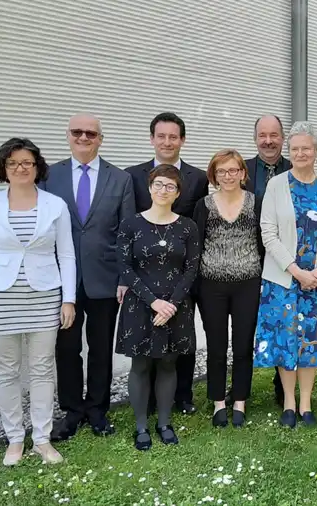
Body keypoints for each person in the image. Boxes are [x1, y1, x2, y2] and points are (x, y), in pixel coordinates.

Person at [0, 138, 76, 466]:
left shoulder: (55, 205)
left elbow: (66, 254)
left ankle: (41, 438)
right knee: (6, 370)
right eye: (13, 163)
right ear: (4, 169)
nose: (21, 168)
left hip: (43, 297)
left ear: (37, 167)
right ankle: (14, 438)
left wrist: (68, 299)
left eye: (27, 162)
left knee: (41, 370)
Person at [41, 113, 136, 441]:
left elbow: (126, 233)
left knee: (100, 348)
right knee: (66, 349)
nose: (84, 137)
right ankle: (71, 410)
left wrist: (125, 276)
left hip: (105, 278)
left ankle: (97, 408)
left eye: (91, 133)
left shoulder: (120, 180)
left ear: (100, 138)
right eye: (77, 132)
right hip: (60, 281)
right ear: (67, 135)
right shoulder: (49, 176)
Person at [254, 121, 317, 428]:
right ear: (288, 152)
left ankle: (306, 402)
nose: (301, 153)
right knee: (286, 340)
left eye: (307, 148)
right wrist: (295, 270)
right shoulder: (276, 184)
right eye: (295, 149)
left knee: (313, 342)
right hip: (283, 278)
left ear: (316, 151)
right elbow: (268, 232)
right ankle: (289, 403)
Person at [125, 112, 207, 415]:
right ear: (152, 139)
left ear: (182, 140)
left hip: (182, 275)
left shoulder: (198, 178)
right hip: (144, 276)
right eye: (162, 136)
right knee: (146, 338)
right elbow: (127, 230)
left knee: (181, 337)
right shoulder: (132, 176)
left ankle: (182, 396)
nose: (167, 142)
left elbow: (198, 226)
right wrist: (127, 279)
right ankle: (148, 399)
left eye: (174, 136)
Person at [116, 164, 200, 450]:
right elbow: (125, 268)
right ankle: (141, 426)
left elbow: (191, 269)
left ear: (177, 193)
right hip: (140, 304)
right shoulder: (131, 224)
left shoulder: (188, 227)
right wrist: (153, 302)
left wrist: (171, 304)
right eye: (159, 184)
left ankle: (164, 423)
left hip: (176, 306)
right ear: (150, 187)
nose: (164, 190)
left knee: (168, 362)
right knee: (140, 365)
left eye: (171, 186)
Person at [193, 149, 262, 428]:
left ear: (243, 173)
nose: (228, 176)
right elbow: (196, 246)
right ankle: (218, 401)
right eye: (221, 171)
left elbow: (263, 241)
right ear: (214, 175)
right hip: (212, 285)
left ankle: (240, 401)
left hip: (248, 283)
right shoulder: (204, 205)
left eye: (233, 170)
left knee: (244, 345)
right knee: (217, 345)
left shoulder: (256, 203)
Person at [237, 114, 292, 407]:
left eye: (274, 135)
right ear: (255, 138)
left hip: (284, 258)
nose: (268, 141)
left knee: (283, 322)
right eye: (262, 135)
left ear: (282, 138)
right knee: (247, 325)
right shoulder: (241, 170)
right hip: (247, 260)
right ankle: (240, 392)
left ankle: (283, 386)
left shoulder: (294, 169)